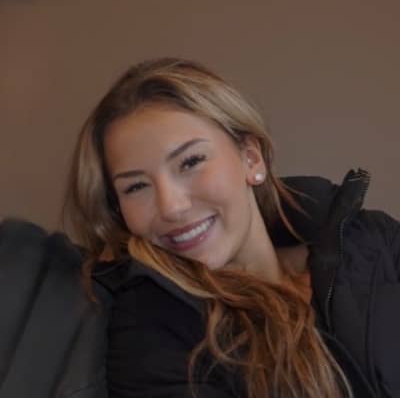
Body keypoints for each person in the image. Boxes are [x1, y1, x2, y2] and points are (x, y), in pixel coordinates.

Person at [63, 58, 400, 398]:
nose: (172, 207)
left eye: (190, 162)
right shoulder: (150, 328)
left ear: (251, 158)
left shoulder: (372, 242)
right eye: (136, 187)